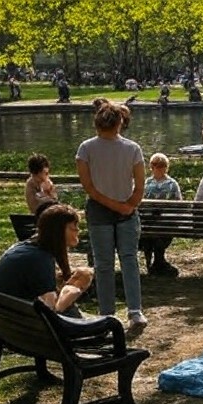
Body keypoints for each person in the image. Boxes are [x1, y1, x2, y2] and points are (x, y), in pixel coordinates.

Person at [76, 101, 147, 333]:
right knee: (126, 261)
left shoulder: (86, 148)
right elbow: (139, 187)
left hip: (107, 210)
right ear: (119, 123)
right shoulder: (130, 148)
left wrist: (123, 206)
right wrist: (125, 207)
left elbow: (90, 188)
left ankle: (111, 312)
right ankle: (128, 312)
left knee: (106, 264)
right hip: (122, 209)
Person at [0, 204, 92, 316]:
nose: (78, 230)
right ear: (58, 231)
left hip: (2, 317)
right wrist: (75, 288)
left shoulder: (26, 248)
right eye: (73, 226)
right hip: (22, 325)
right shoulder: (41, 259)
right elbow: (52, 312)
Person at [139, 153, 182, 277]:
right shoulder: (172, 184)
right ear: (167, 167)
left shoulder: (146, 183)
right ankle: (159, 261)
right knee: (160, 230)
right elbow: (179, 204)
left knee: (150, 231)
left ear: (151, 167)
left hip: (147, 224)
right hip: (166, 225)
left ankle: (153, 262)